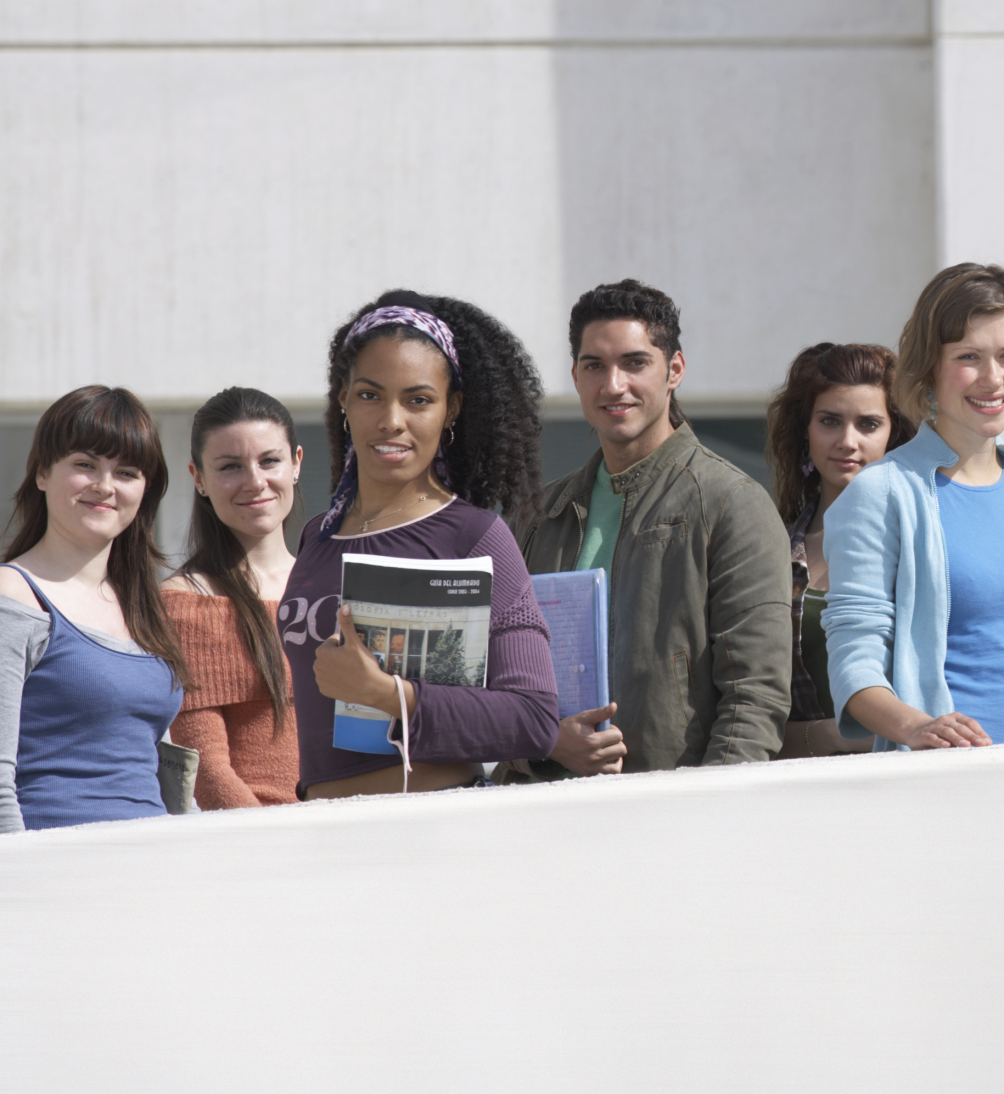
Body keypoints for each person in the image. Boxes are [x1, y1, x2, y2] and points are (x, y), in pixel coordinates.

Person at [509, 279, 793, 779]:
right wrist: (543, 745)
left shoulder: (731, 503)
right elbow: (499, 683)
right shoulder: (538, 514)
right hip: (544, 806)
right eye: (594, 366)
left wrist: (710, 810)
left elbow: (754, 697)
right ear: (575, 376)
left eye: (634, 363)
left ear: (674, 370)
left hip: (674, 810)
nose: (613, 385)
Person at [281, 292, 559, 798]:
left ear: (451, 409)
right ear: (343, 400)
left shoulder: (475, 537)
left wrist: (388, 694)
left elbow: (534, 719)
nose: (392, 420)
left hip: (432, 825)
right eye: (370, 395)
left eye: (418, 400)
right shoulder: (316, 535)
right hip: (323, 828)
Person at [822, 263, 1004, 748]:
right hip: (951, 777)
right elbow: (854, 661)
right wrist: (916, 727)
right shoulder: (881, 492)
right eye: (969, 356)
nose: (993, 378)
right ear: (930, 367)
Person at [0, 386, 189, 832]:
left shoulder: (142, 607)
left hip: (156, 859)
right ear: (42, 472)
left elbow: (158, 768)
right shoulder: (14, 596)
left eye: (126, 472)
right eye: (85, 464)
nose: (105, 486)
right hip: (58, 864)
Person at [764, 341, 914, 758]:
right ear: (805, 429)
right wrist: (823, 737)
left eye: (868, 424)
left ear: (894, 433)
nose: (848, 441)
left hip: (915, 776)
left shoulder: (926, 545)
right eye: (830, 421)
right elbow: (746, 710)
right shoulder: (770, 553)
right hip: (805, 784)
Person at [161, 387, 305, 809]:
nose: (255, 482)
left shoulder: (335, 587)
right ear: (199, 478)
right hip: (259, 837)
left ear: (296, 463)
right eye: (230, 467)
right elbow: (207, 773)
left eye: (269, 461)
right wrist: (272, 840)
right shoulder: (186, 604)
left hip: (355, 828)